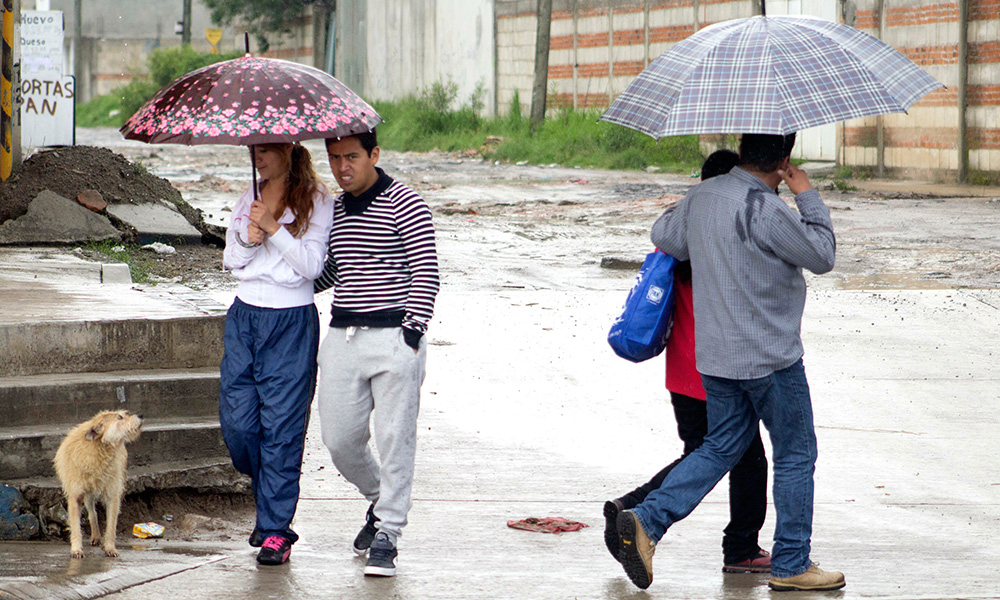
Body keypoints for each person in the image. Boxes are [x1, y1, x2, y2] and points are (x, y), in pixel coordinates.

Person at [612, 133, 845, 592]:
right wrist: (808, 197)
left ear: (740, 152)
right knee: (796, 454)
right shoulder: (767, 208)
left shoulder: (703, 197)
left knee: (720, 448)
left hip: (716, 358)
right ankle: (792, 562)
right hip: (770, 358)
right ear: (783, 160)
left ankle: (646, 521)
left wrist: (698, 208)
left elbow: (664, 236)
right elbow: (822, 256)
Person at [603, 149, 771, 575]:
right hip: (720, 373)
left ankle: (630, 508)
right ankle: (741, 550)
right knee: (745, 461)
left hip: (681, 374)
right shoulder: (731, 230)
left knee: (700, 454)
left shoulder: (681, 227)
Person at [314, 129, 440, 578]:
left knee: (394, 441)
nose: (342, 167)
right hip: (343, 337)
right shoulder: (332, 209)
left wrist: (411, 335)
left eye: (351, 157)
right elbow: (329, 271)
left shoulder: (405, 202)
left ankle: (387, 534)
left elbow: (426, 270)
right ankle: (378, 501)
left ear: (374, 155)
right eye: (333, 159)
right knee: (340, 441)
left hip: (394, 339)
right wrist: (273, 258)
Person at [219, 142, 334, 565]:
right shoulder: (246, 196)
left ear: (290, 150)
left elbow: (312, 267)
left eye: (267, 150)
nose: (258, 158)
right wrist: (248, 240)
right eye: (254, 150)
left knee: (283, 431)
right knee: (239, 425)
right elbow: (231, 259)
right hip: (244, 317)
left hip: (291, 321)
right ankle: (270, 495)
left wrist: (274, 228)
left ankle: (274, 531)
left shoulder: (318, 201)